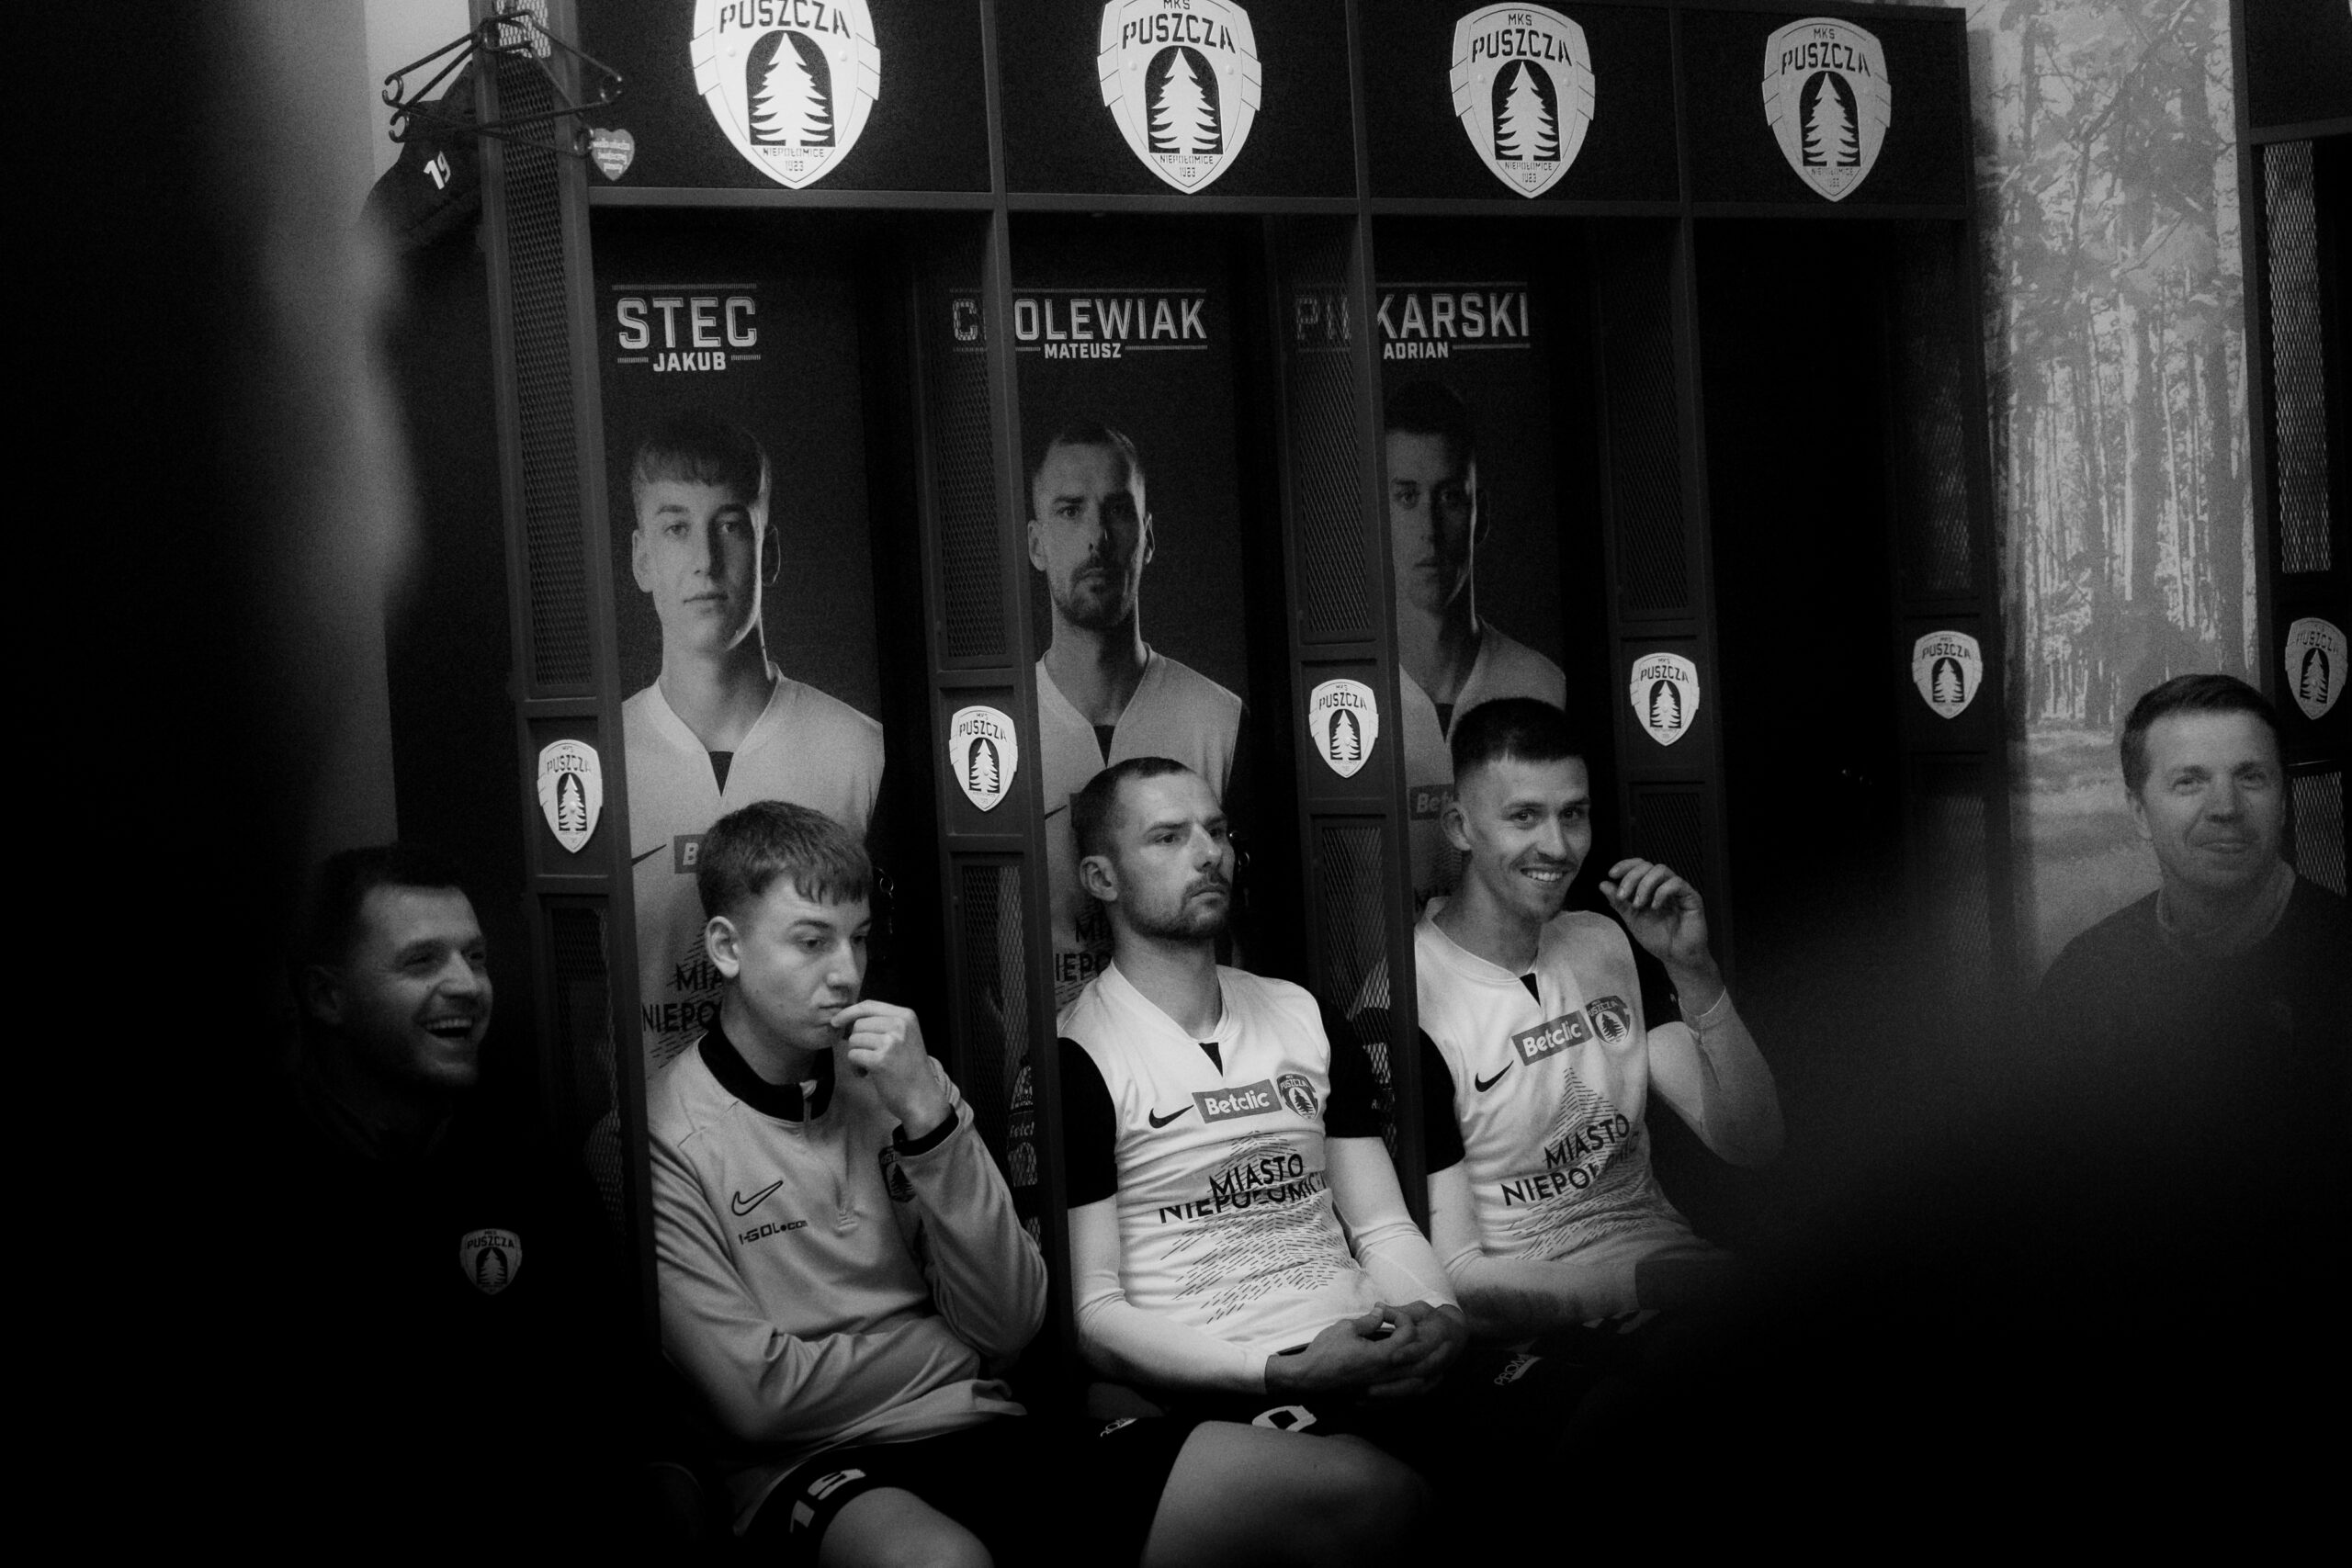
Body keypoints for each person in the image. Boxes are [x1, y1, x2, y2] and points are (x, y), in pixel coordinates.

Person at [1056, 758, 1462, 1562]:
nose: (1208, 853)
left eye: (1215, 830)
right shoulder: (1078, 1052)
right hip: (1221, 1384)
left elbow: (1381, 1226)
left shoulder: (1302, 1012)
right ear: (1101, 878)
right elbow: (1093, 1315)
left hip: (1362, 1343)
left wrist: (1438, 1316)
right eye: (1168, 837)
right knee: (1380, 1497)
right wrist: (1278, 1371)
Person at [648, 801, 1056, 1561]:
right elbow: (759, 1401)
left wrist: (928, 1118)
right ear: (727, 947)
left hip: (977, 1424)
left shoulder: (905, 1080)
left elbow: (1012, 1321)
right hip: (809, 1463)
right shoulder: (662, 1131)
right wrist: (956, 1351)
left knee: (1298, 1482)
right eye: (811, 941)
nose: (846, 974)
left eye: (859, 938)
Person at [264, 844, 622, 1546]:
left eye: (476, 956)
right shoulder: (267, 1183)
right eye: (422, 960)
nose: (467, 984)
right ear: (327, 996)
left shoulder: (527, 1167)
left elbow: (599, 1391)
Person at [1415, 699, 1783, 1333]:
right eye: (1524, 816)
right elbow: (1458, 1278)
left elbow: (1753, 1142)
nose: (1557, 846)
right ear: (1459, 826)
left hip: (1675, 1274)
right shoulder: (1410, 993)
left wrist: (1694, 972)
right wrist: (1648, 1283)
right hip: (1543, 1317)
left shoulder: (1603, 940)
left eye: (1573, 814)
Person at [623, 410, 884, 1074]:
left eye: (730, 526)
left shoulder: (861, 751)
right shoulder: (596, 764)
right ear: (642, 559)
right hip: (652, 1125)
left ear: (770, 552)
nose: (705, 562)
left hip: (824, 1119)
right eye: (677, 528)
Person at [2031, 674, 2348, 1213]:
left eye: (2251, 777)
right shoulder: (2083, 980)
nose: (2225, 806)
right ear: (2139, 812)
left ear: (2283, 802)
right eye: (2189, 782)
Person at [1030, 423, 1245, 1009]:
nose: (1097, 537)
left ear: (1147, 538)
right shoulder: (998, 731)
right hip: (1039, 1051)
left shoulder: (1221, 719)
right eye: (1070, 511)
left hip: (1189, 1040)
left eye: (1118, 511)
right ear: (1036, 544)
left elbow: (1255, 923)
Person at [1385, 382, 1566, 905]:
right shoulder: (1341, 698)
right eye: (1406, 497)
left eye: (1449, 497)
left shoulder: (1543, 686)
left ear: (1479, 514)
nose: (1429, 529)